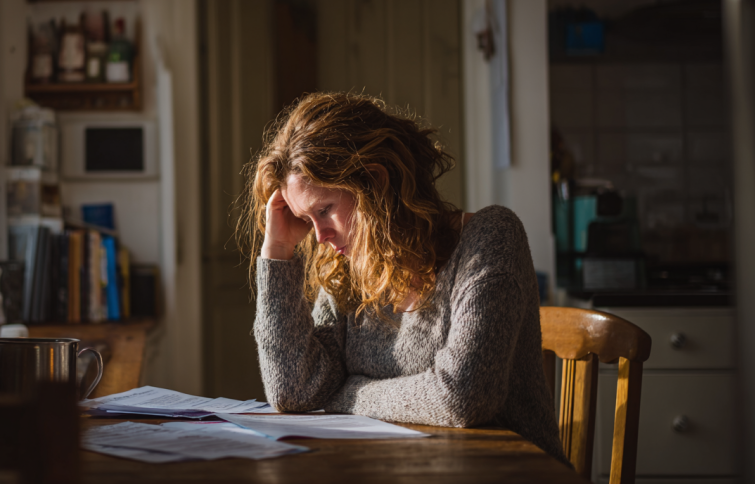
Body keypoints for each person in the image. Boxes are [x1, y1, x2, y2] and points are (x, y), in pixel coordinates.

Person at [240, 92, 568, 464]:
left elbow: (462, 398)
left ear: (376, 182)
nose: (319, 237)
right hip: (407, 468)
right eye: (305, 219)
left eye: (325, 210)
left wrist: (346, 395)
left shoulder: (491, 237)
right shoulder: (350, 266)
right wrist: (277, 251)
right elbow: (294, 390)